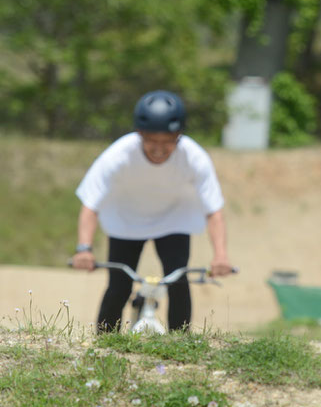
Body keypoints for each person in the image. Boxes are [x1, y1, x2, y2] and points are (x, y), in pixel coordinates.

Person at [71, 90, 234, 332]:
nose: (159, 148)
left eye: (167, 141)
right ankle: (104, 344)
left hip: (173, 220)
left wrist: (220, 255)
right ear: (140, 134)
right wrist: (84, 248)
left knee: (178, 280)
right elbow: (90, 205)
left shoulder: (194, 157)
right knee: (119, 285)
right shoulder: (119, 155)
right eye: (151, 140)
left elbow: (214, 211)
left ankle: (180, 345)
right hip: (126, 220)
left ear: (179, 136)